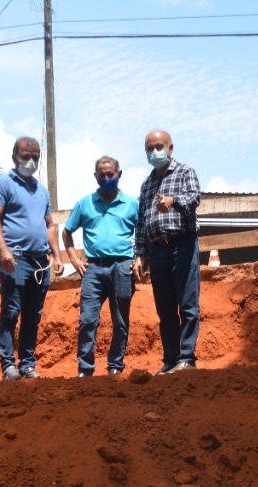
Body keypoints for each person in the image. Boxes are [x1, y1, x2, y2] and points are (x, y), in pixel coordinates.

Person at [0, 136, 63, 380]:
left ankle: (27, 364)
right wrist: (3, 250)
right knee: (10, 312)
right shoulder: (3, 184)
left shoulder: (42, 191)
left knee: (33, 315)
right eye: (25, 156)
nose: (31, 161)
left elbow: (50, 225)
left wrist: (57, 254)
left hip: (40, 261)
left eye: (35, 157)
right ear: (14, 157)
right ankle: (8, 365)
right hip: (15, 258)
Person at [132, 129, 202, 374]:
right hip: (157, 251)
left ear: (171, 148)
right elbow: (142, 221)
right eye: (150, 148)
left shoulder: (185, 172)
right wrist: (140, 254)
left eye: (159, 146)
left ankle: (187, 358)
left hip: (182, 244)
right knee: (165, 308)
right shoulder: (148, 183)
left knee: (187, 303)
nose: (155, 152)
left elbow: (195, 197)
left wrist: (173, 201)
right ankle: (171, 359)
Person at [63, 156, 139, 377]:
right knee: (88, 319)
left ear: (119, 174)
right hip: (93, 268)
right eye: (102, 175)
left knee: (121, 320)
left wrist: (141, 258)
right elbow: (67, 232)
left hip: (122, 267)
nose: (106, 178)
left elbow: (143, 232)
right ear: (95, 176)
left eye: (110, 174)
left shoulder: (132, 204)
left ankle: (115, 365)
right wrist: (74, 259)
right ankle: (85, 369)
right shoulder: (85, 203)